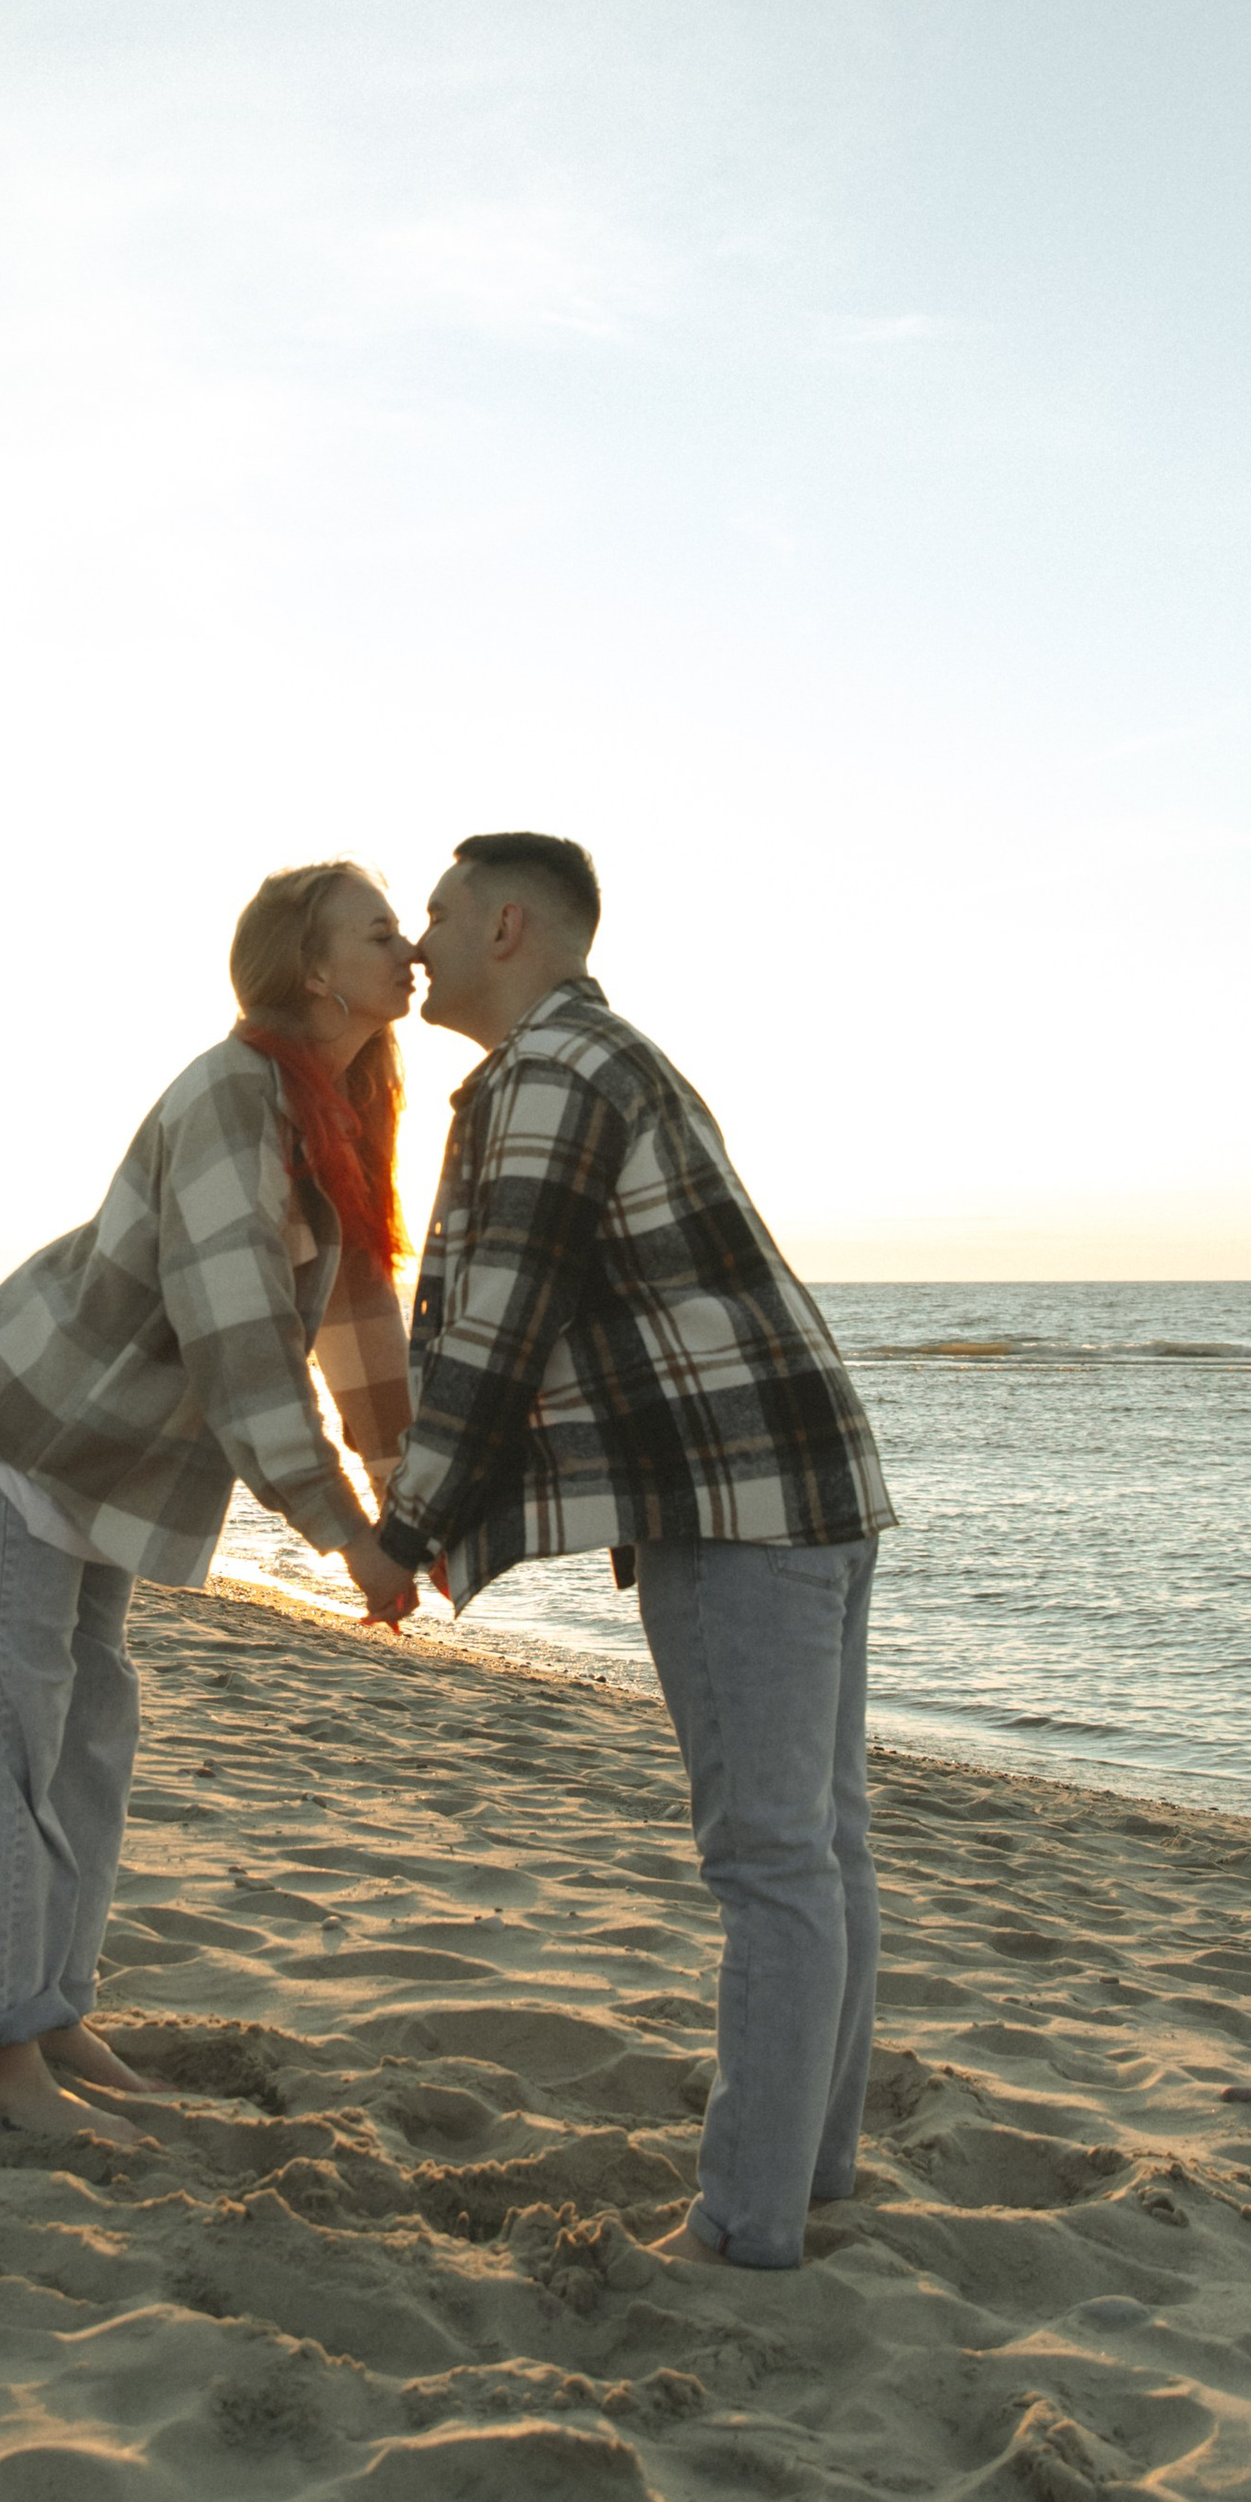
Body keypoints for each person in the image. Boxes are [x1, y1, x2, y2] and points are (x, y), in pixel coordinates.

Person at [373, 832, 897, 2270]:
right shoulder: (610, 1058)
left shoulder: (550, 1076)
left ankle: (744, 2228)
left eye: (437, 913)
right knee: (821, 1848)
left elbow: (497, 1326)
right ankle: (814, 2173)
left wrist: (406, 1531)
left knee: (773, 1860)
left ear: (510, 927)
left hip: (739, 1501)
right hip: (810, 1478)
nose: (416, 943)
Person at [0, 860, 420, 2141]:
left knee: (94, 1726)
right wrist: (344, 1536)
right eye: (381, 932)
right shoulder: (232, 1096)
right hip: (30, 1430)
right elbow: (244, 1343)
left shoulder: (348, 1099)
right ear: (312, 968)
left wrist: (403, 1487)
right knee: (12, 1740)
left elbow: (360, 1311)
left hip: (117, 1460)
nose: (411, 947)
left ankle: (48, 2008)